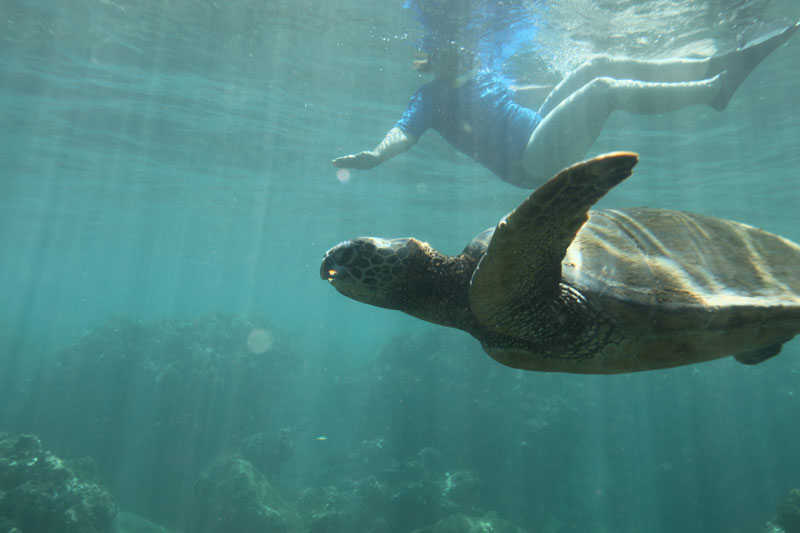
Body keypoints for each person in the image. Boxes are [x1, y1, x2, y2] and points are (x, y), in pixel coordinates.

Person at [332, 22, 798, 188]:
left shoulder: (480, 71)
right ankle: (714, 89)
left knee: (594, 65)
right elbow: (404, 131)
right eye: (456, 50)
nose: (469, 51)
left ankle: (704, 66)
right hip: (529, 165)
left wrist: (556, 94)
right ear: (435, 61)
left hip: (539, 130)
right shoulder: (429, 97)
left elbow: (508, 102)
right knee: (604, 91)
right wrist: (375, 155)